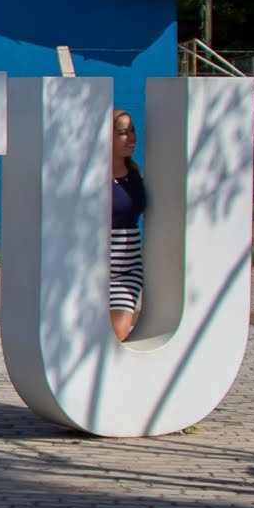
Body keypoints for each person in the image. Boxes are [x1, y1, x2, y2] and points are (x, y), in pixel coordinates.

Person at [109, 109, 146, 340]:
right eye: (123, 132)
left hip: (127, 270)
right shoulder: (92, 174)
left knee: (117, 334)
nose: (131, 137)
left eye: (132, 130)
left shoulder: (134, 173)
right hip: (90, 270)